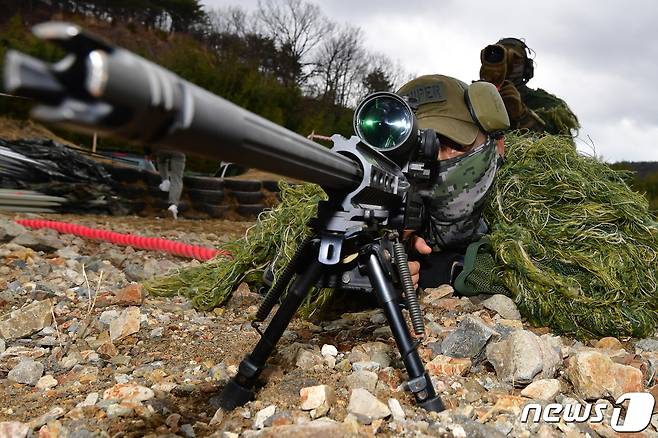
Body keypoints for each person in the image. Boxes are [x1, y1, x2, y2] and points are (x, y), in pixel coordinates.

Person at [394, 74, 510, 290]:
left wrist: (454, 270)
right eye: (419, 149)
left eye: (452, 143)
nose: (435, 159)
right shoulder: (388, 200)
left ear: (497, 145)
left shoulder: (535, 196)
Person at [479, 37, 579, 136]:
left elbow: (560, 142)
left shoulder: (545, 104)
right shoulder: (474, 97)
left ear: (526, 68)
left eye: (515, 59)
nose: (507, 65)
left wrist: (522, 114)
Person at [156, 149, 186, 220]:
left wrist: (147, 152)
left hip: (163, 146)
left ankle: (165, 181)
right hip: (179, 149)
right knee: (176, 179)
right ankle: (173, 206)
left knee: (161, 160)